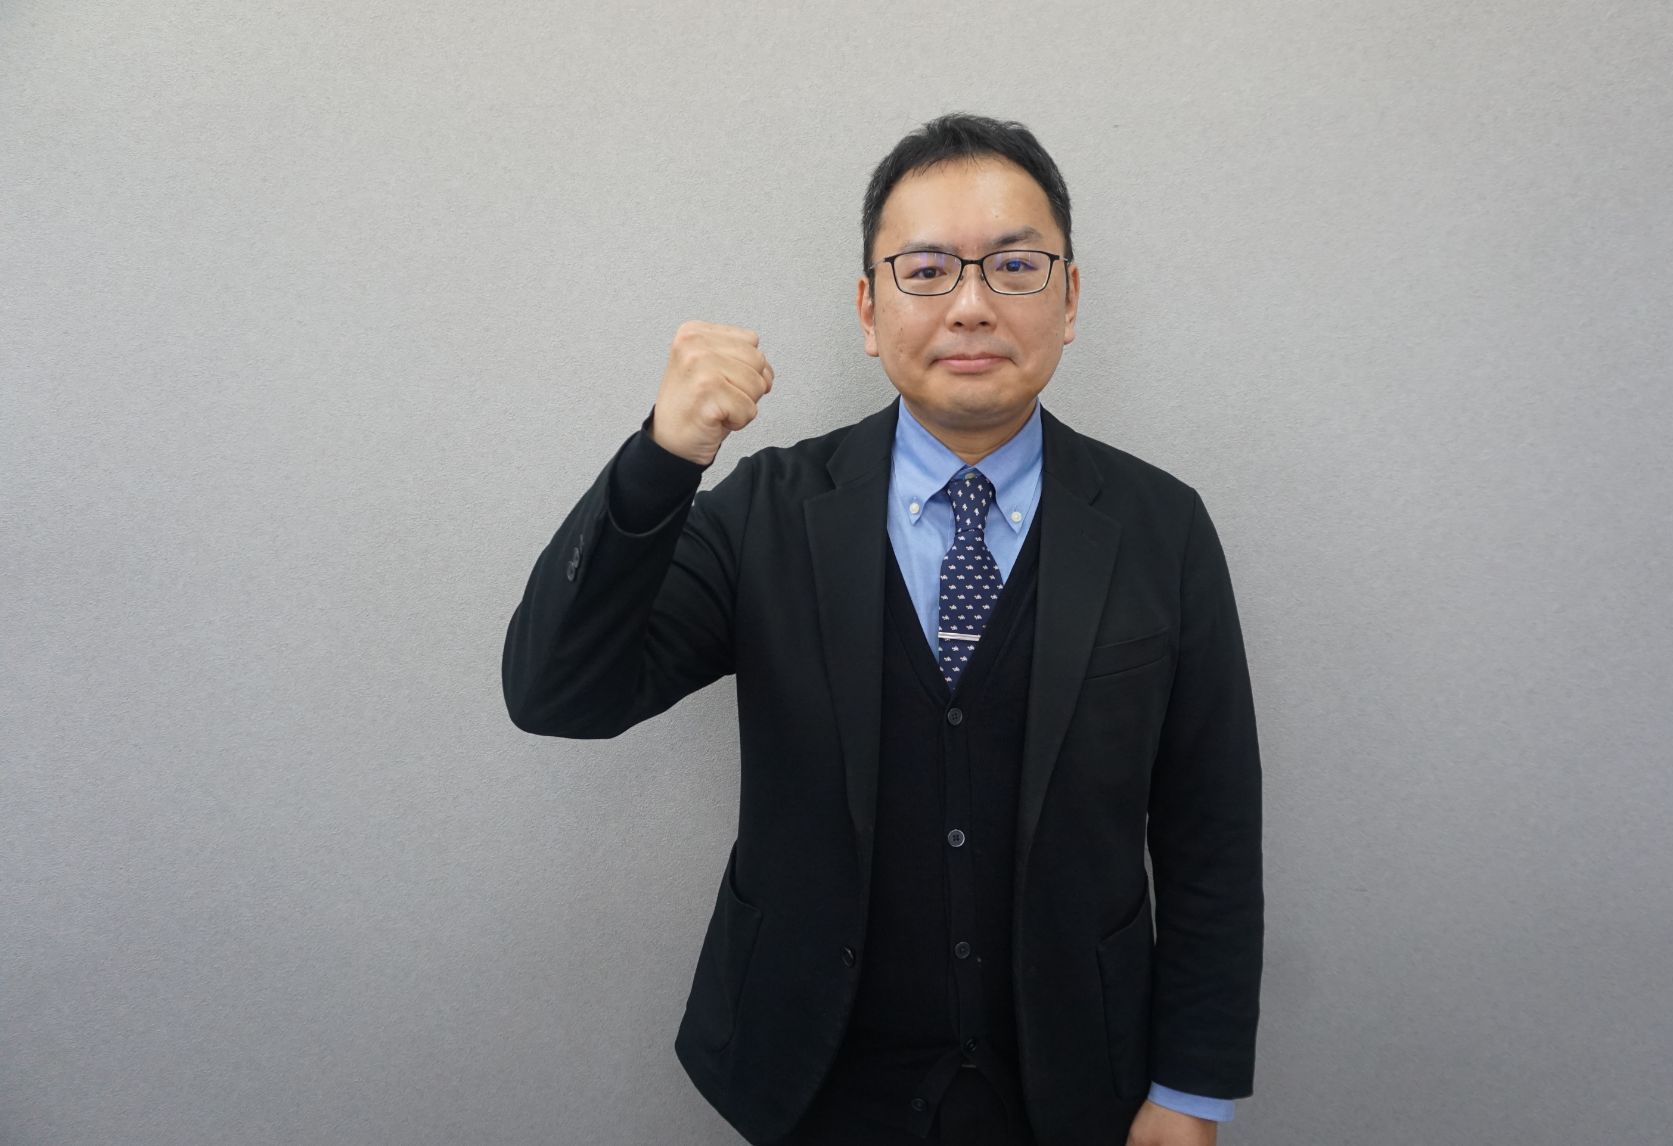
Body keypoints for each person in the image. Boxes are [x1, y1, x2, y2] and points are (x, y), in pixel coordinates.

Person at [502, 113, 1262, 1146]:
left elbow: (1212, 831)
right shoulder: (769, 511)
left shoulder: (1161, 528)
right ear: (869, 310)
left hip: (1081, 1079)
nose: (972, 305)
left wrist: (1190, 1091)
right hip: (813, 1078)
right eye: (927, 270)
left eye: (1016, 266)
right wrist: (662, 461)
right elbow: (558, 692)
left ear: (1071, 298)